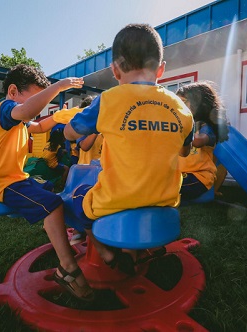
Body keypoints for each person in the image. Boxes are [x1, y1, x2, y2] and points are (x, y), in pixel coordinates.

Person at [64, 23, 194, 273]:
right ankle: (132, 254)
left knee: (75, 197)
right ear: (161, 69)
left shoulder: (108, 100)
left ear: (114, 70)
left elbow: (71, 133)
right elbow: (184, 152)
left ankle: (107, 255)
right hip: (164, 201)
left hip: (118, 200)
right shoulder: (182, 108)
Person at [0, 64, 93, 302]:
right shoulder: (5, 109)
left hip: (14, 176)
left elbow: (38, 126)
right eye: (37, 95)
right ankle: (67, 267)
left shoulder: (16, 117)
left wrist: (63, 117)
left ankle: (73, 236)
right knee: (52, 204)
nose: (41, 102)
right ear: (12, 91)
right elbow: (28, 112)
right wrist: (58, 87)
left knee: (57, 196)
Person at [175, 81, 229, 201]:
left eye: (183, 102)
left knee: (163, 187)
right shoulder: (185, 124)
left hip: (198, 178)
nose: (178, 106)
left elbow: (198, 141)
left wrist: (179, 129)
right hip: (181, 174)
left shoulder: (206, 127)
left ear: (198, 104)